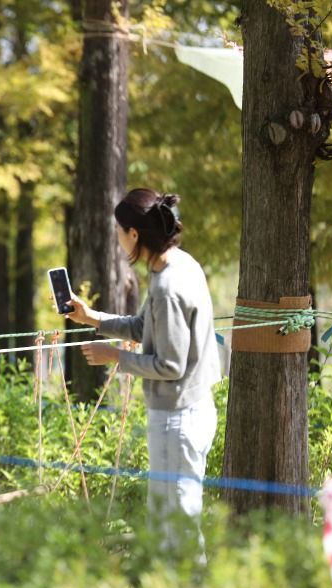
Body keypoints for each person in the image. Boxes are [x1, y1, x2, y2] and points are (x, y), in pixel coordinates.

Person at [60, 188, 221, 560]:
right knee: (170, 518)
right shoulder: (179, 264)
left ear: (134, 234)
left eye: (119, 230)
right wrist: (91, 318)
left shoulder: (167, 287)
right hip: (190, 410)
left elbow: (170, 365)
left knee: (175, 521)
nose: (117, 238)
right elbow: (145, 327)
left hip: (178, 417)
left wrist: (115, 357)